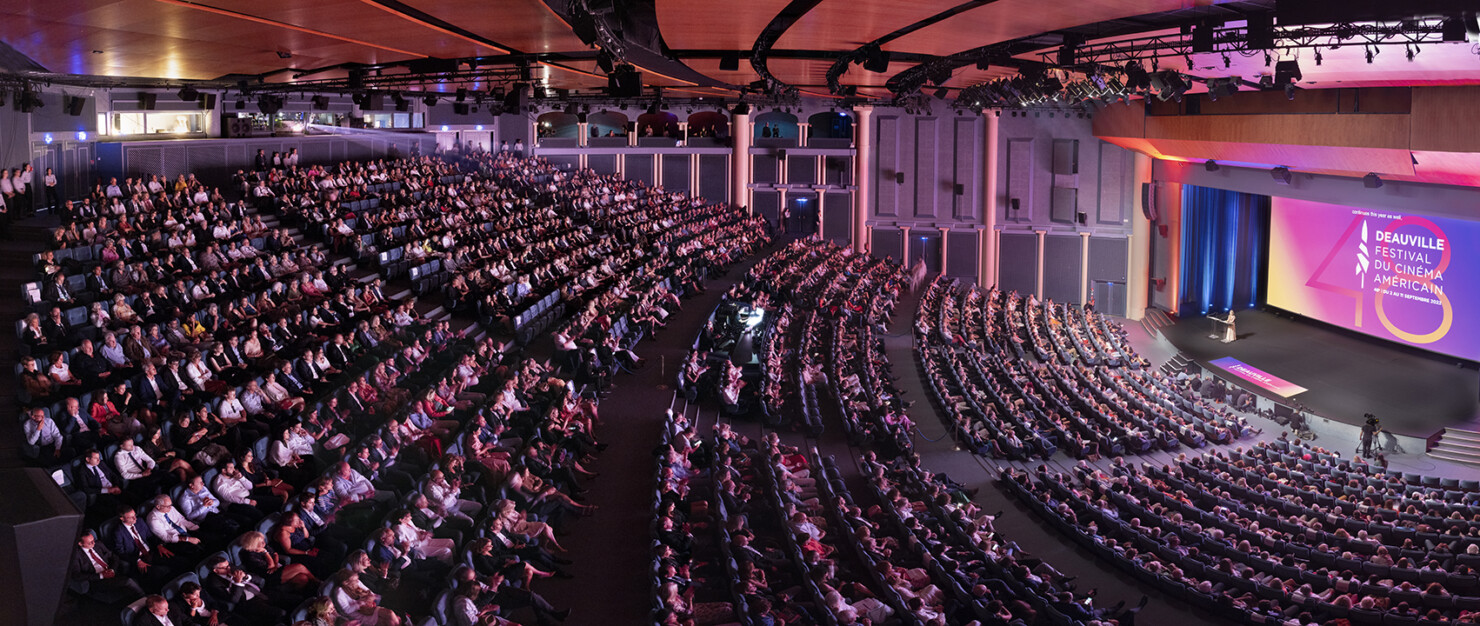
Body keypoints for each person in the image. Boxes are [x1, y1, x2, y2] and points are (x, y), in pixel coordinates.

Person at [67, 531, 144, 603]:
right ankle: (144, 598)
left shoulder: (98, 544)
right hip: (97, 580)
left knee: (135, 578)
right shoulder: (76, 556)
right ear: (80, 543)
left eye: (93, 540)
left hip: (111, 571)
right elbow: (76, 575)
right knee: (128, 581)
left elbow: (113, 556)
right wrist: (101, 575)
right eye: (90, 543)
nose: (94, 543)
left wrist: (113, 570)